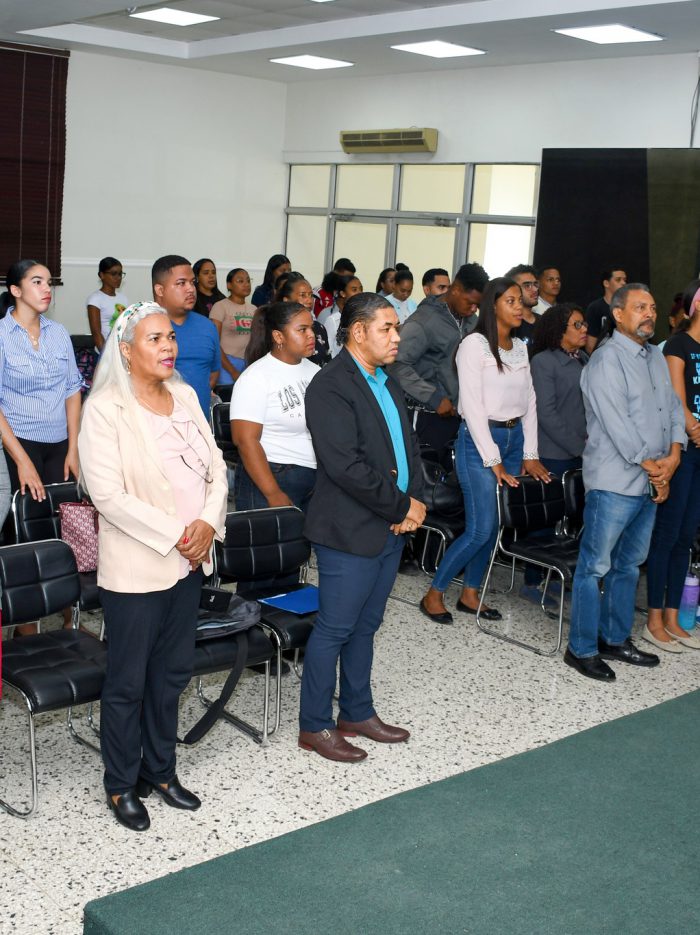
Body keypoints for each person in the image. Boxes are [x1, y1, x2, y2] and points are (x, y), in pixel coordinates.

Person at [78, 301, 228, 831]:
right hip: (139, 568)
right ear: (126, 351)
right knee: (128, 682)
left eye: (171, 337)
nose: (168, 347)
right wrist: (178, 534)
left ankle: (160, 771)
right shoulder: (106, 409)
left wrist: (207, 523)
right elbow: (107, 496)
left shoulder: (185, 396)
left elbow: (216, 467)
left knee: (171, 676)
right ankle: (121, 783)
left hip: (190, 562)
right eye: (155, 339)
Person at [299, 292, 425, 762]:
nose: (397, 337)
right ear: (357, 332)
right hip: (349, 529)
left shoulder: (387, 381)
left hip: (391, 525)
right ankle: (314, 725)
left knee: (367, 625)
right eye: (386, 328)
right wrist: (401, 506)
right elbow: (345, 467)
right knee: (335, 628)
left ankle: (356, 711)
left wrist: (415, 503)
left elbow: (408, 448)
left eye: (397, 328)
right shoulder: (330, 386)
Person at [564, 283, 685, 682]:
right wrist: (656, 469)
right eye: (639, 307)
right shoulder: (606, 360)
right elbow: (618, 425)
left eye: (652, 307)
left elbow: (673, 410)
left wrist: (674, 456)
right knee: (594, 567)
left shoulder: (655, 357)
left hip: (651, 478)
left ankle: (614, 639)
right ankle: (581, 649)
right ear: (618, 315)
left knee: (629, 565)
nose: (649, 314)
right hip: (614, 482)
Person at [419, 278, 550, 625]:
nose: (520, 307)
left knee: (494, 528)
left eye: (520, 301)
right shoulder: (473, 345)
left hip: (513, 439)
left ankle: (470, 593)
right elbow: (473, 407)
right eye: (511, 301)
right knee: (480, 527)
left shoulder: (520, 347)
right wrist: (492, 459)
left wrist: (531, 453)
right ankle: (434, 592)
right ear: (493, 306)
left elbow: (530, 401)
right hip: (478, 442)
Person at [644, 279, 700, 652]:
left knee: (686, 537)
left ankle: (673, 615)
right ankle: (653, 620)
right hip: (681, 449)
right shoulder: (678, 344)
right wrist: (694, 429)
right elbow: (675, 398)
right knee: (666, 535)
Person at [521, 303, 589, 605]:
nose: (584, 329)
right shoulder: (544, 362)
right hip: (553, 453)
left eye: (584, 324)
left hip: (581, 452)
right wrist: (579, 447)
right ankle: (532, 582)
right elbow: (546, 414)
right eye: (577, 325)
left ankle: (557, 577)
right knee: (545, 520)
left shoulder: (584, 359)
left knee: (572, 519)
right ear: (559, 331)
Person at [388, 262, 488, 460]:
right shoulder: (424, 321)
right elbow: (396, 364)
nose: (473, 309)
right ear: (455, 290)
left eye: (478, 305)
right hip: (429, 416)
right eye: (470, 302)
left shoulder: (472, 321)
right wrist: (433, 397)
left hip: (463, 417)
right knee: (426, 473)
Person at [0, 260, 82, 500]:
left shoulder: (58, 332)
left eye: (48, 282)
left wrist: (74, 447)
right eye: (37, 282)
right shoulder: (3, 335)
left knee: (63, 512)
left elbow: (72, 390)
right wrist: (22, 461)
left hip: (60, 443)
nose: (47, 288)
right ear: (16, 290)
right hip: (19, 442)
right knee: (26, 516)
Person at [231, 301, 319, 512]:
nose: (311, 335)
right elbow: (245, 440)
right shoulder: (256, 377)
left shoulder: (316, 372)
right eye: (302, 330)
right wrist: (272, 492)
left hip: (313, 478)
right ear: (279, 336)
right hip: (272, 476)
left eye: (311, 328)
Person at [152, 255, 220, 414]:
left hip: (198, 423)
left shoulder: (207, 327)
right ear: (160, 290)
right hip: (154, 423)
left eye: (192, 282)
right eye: (181, 283)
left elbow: (213, 374)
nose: (191, 289)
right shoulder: (139, 326)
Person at [209, 268, 255, 385]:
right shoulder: (220, 306)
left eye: (248, 281)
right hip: (226, 363)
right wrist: (232, 371)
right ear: (229, 285)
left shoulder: (254, 309)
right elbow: (214, 343)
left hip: (249, 364)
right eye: (240, 281)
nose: (246, 284)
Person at [275, 272, 331, 367]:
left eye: (311, 295)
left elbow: (327, 362)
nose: (309, 300)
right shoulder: (279, 328)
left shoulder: (319, 327)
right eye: (303, 295)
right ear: (286, 300)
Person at [86, 257, 129, 352]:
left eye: (120, 274)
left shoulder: (123, 298)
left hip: (121, 351)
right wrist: (106, 355)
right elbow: (96, 333)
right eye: (113, 274)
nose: (118, 278)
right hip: (105, 352)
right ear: (102, 275)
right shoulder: (95, 299)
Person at [584, 266, 627, 354]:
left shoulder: (629, 308)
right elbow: (590, 346)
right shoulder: (595, 308)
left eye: (624, 280)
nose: (623, 283)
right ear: (606, 283)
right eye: (618, 280)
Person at [323, 275, 363, 357]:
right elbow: (327, 351)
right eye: (354, 290)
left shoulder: (364, 317)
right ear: (343, 293)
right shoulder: (333, 320)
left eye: (361, 289)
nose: (359, 293)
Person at [505, 264, 540, 349]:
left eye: (535, 284)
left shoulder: (545, 322)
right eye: (527, 286)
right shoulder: (508, 326)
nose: (535, 289)